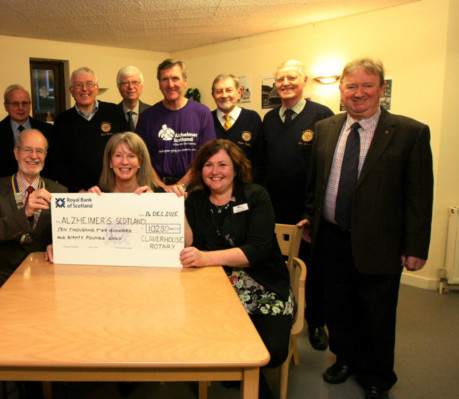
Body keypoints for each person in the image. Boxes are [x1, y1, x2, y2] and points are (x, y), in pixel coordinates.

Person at [298, 58, 433, 399]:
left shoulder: (410, 133)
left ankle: (377, 375)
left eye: (367, 86)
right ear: (341, 90)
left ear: (381, 89)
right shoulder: (327, 128)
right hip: (330, 238)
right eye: (351, 86)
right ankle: (345, 360)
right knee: (338, 308)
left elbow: (419, 196)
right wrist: (311, 219)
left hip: (381, 243)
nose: (359, 94)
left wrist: (416, 246)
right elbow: (315, 182)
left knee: (377, 314)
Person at [180, 139, 292, 399]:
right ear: (200, 169)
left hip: (264, 283)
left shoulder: (256, 195)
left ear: (236, 168)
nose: (215, 171)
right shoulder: (196, 200)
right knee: (205, 339)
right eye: (208, 165)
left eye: (222, 164)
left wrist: (205, 258)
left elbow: (256, 251)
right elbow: (189, 246)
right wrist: (179, 208)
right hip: (215, 287)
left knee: (273, 352)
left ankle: (243, 372)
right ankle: (247, 378)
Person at [262, 59, 334, 350]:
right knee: (277, 266)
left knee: (311, 270)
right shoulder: (269, 119)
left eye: (291, 78)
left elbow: (327, 169)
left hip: (306, 213)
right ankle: (283, 315)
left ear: (304, 80)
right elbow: (265, 165)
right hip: (273, 210)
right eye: (280, 79)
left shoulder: (322, 116)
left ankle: (316, 323)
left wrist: (310, 212)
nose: (285, 84)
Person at [0, 129, 67, 305]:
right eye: (27, 149)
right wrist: (24, 214)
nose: (33, 156)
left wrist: (56, 244)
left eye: (39, 151)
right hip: (1, 273)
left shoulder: (60, 192)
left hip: (45, 273)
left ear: (45, 155)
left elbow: (66, 235)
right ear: (16, 152)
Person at [136, 58, 216, 191]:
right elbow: (142, 158)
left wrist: (180, 186)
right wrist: (163, 188)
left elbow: (207, 156)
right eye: (165, 79)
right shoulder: (147, 117)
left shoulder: (202, 113)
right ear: (159, 84)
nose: (170, 84)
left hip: (195, 188)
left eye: (175, 78)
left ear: (185, 82)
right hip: (158, 188)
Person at [47, 67, 126, 191]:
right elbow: (57, 163)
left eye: (89, 84)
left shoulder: (114, 112)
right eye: (78, 85)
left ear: (96, 88)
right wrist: (78, 190)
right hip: (79, 195)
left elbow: (127, 151)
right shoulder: (62, 121)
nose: (84, 89)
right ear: (71, 91)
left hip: (114, 190)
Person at [0, 84, 53, 181]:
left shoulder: (47, 130)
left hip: (42, 189)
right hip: (5, 191)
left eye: (24, 103)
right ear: (6, 106)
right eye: (15, 104)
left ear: (30, 105)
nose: (20, 108)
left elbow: (53, 164)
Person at [210, 73, 265, 183]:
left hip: (246, 187)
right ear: (213, 95)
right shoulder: (207, 119)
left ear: (239, 92)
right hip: (214, 187)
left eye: (229, 90)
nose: (224, 95)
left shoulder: (252, 118)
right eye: (219, 91)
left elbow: (261, 159)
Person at [87, 132, 160, 194]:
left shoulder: (156, 194)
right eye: (118, 155)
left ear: (140, 161)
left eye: (131, 156)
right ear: (110, 161)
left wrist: (154, 202)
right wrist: (91, 202)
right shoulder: (98, 194)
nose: (124, 162)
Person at [116, 65, 150, 130]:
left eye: (135, 82)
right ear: (119, 87)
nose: (131, 87)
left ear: (141, 86)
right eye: (126, 83)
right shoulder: (112, 114)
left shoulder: (152, 113)